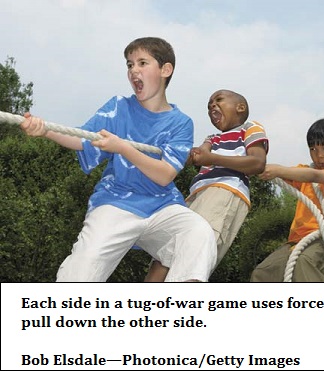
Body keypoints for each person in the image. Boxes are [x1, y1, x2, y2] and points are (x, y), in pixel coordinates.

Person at [20, 37, 217, 282]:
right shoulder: (117, 108)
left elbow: (165, 174)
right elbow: (82, 138)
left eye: (142, 63)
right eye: (129, 64)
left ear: (166, 70)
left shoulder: (181, 123)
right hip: (116, 201)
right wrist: (45, 130)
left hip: (161, 206)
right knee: (84, 264)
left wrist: (122, 147)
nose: (134, 70)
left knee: (198, 232)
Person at [145, 89, 269, 282]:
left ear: (240, 107)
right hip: (196, 195)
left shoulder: (250, 128)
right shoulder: (212, 138)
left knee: (196, 252)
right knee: (167, 251)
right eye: (209, 104)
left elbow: (257, 163)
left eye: (219, 100)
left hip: (225, 189)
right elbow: (199, 154)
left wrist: (211, 158)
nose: (212, 105)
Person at [250, 118, 324, 282]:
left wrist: (278, 170)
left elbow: (315, 176)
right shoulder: (303, 172)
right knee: (263, 272)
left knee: (304, 262)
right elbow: (289, 174)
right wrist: (256, 165)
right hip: (296, 241)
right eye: (313, 149)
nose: (318, 155)